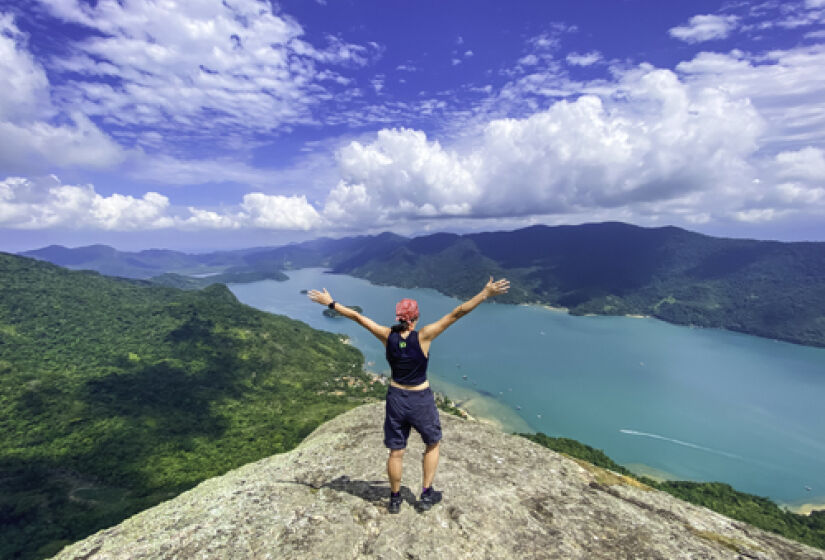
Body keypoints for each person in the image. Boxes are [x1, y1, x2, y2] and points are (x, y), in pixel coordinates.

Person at [308, 276, 510, 514]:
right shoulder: (423, 336)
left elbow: (358, 317)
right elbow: (457, 312)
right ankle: (425, 494)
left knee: (396, 451)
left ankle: (394, 498)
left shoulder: (386, 335)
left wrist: (331, 303)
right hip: (420, 399)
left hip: (395, 397)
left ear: (398, 317)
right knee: (432, 443)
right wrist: (485, 293)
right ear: (415, 318)